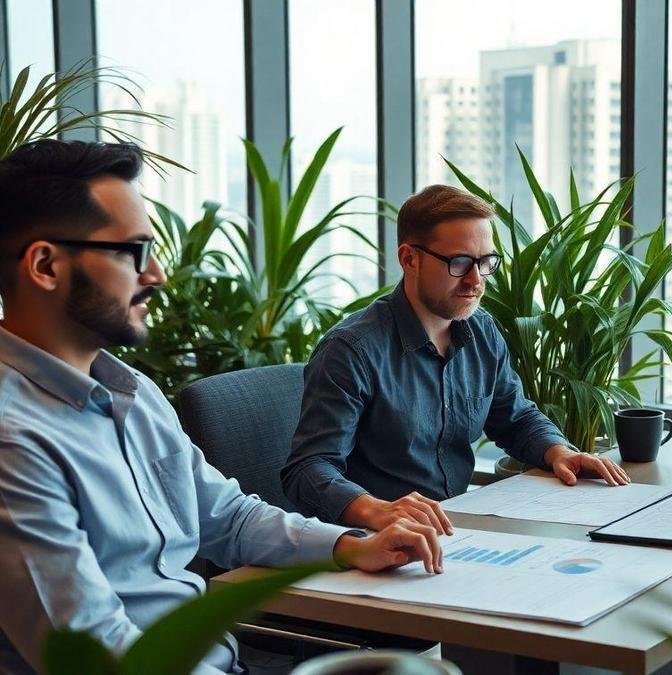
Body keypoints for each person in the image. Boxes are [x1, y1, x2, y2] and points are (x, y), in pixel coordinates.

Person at [0, 140, 444, 674]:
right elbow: (95, 655)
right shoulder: (13, 439)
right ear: (46, 265)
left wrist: (351, 546)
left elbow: (227, 519)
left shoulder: (131, 392)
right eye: (135, 251)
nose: (158, 274)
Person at [281, 185, 630, 532]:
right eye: (460, 262)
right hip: (377, 541)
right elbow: (308, 469)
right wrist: (377, 511)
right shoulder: (351, 351)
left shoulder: (481, 331)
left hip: (457, 530)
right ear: (409, 259)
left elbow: (515, 417)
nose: (476, 280)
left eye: (486, 262)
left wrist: (559, 452)